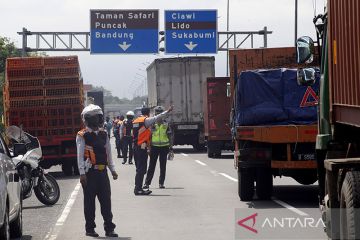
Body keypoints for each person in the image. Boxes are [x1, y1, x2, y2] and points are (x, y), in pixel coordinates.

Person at [76, 104, 118, 237]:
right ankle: (90, 229)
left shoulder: (104, 134)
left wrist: (113, 170)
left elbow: (108, 153)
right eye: (95, 117)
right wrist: (82, 173)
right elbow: (79, 155)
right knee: (89, 203)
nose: (98, 120)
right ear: (88, 119)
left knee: (106, 201)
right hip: (89, 173)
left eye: (99, 116)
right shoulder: (82, 135)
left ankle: (109, 228)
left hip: (102, 172)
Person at [132, 106, 173, 195]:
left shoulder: (136, 120)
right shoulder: (146, 121)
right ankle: (139, 188)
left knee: (140, 169)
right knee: (142, 169)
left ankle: (139, 187)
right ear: (148, 113)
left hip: (137, 147)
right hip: (145, 147)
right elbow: (157, 118)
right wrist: (168, 110)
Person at [143, 106, 173, 189]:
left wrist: (171, 148)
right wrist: (148, 148)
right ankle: (147, 183)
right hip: (154, 147)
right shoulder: (151, 123)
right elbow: (148, 136)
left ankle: (161, 183)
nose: (159, 114)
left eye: (160, 112)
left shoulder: (166, 123)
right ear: (155, 113)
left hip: (164, 147)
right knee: (151, 166)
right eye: (157, 112)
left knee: (163, 166)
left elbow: (170, 136)